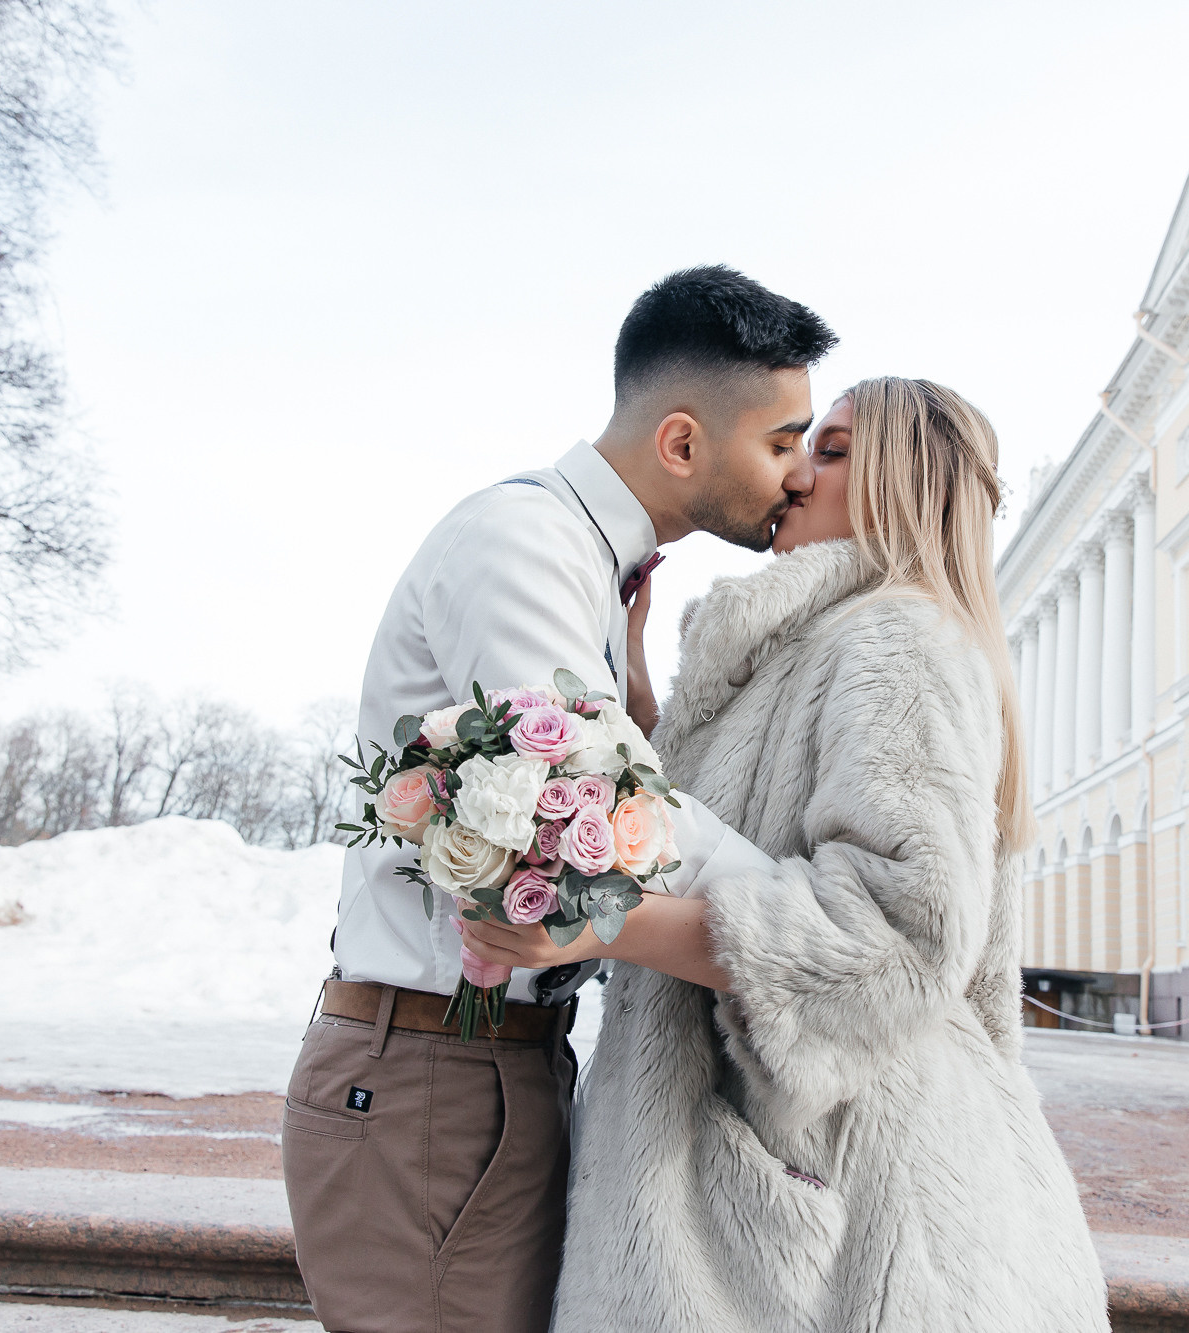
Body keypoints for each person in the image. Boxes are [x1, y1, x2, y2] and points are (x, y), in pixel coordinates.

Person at [466, 379, 1108, 1331]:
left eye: (837, 450)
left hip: (836, 1198)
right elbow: (722, 838)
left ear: (905, 483)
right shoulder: (823, 645)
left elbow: (898, 931)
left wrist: (603, 925)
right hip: (798, 1169)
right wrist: (643, 689)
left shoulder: (897, 638)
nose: (799, 470)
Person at [281, 265, 836, 1333]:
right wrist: (807, 925)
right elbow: (598, 801)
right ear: (681, 443)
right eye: (779, 441)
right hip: (431, 1077)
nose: (795, 475)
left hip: (483, 1069)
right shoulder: (523, 546)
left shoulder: (587, 564)